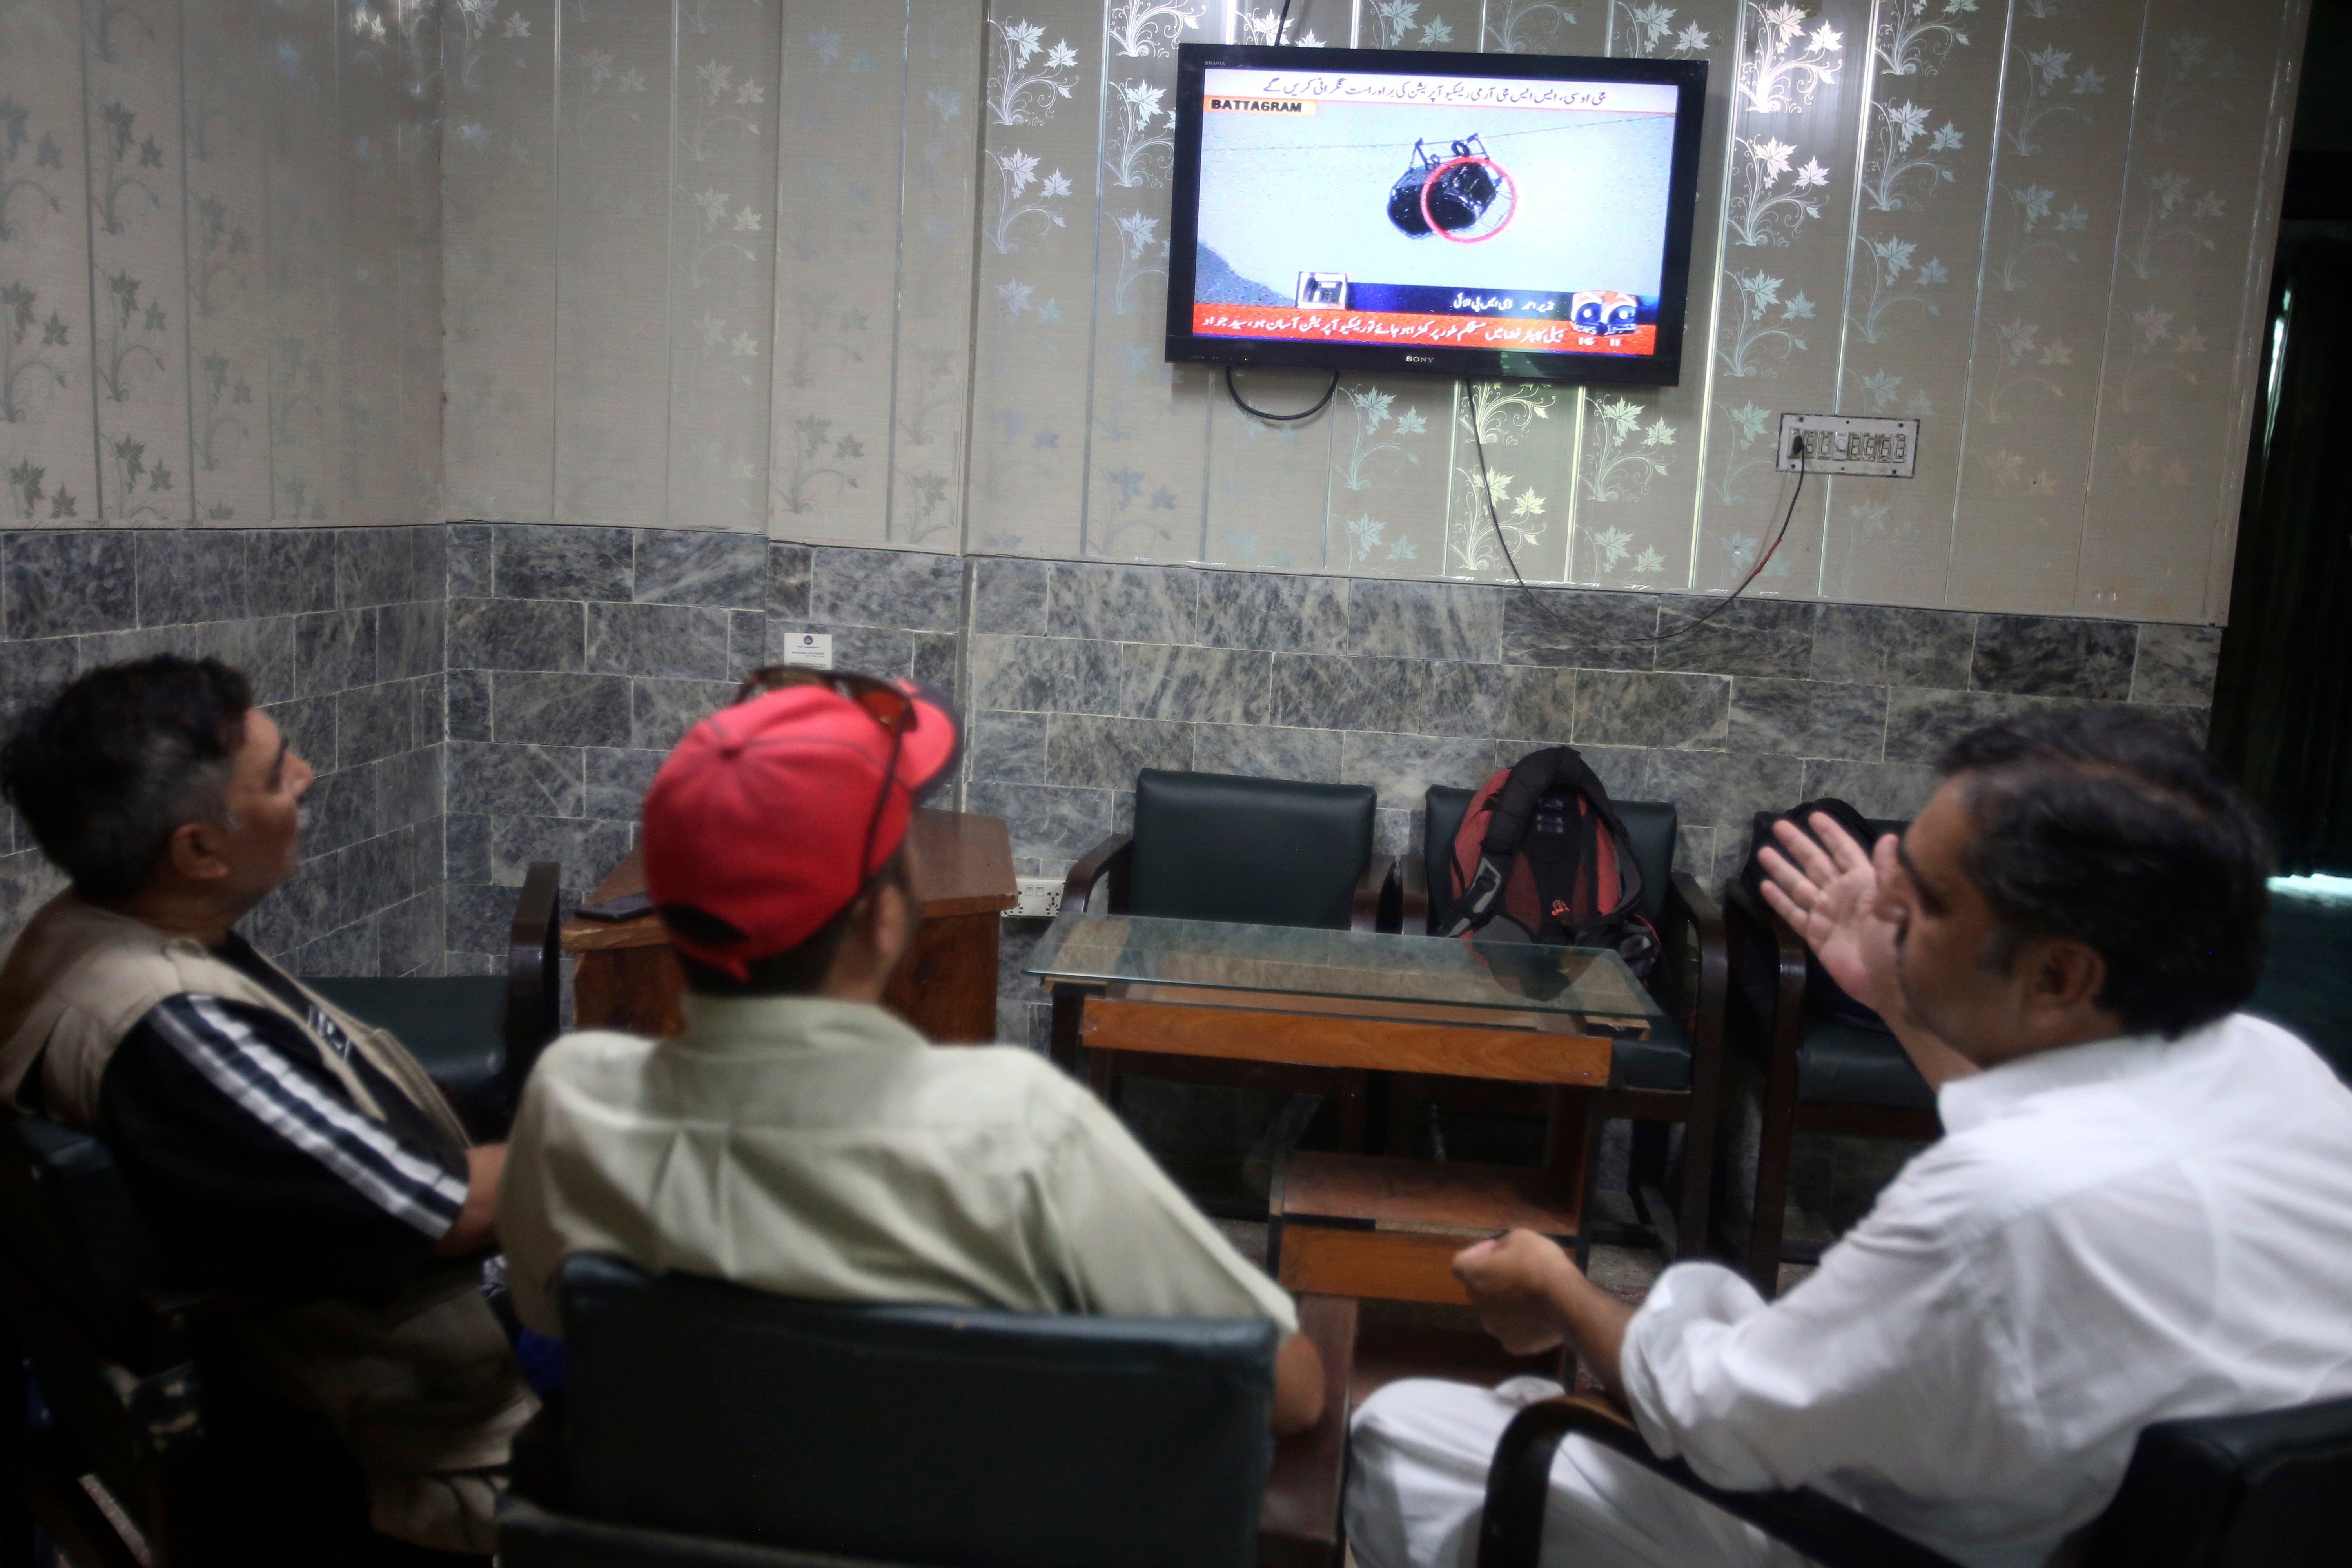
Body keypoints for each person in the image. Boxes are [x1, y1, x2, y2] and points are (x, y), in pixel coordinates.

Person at [1347, 707, 2352, 1568]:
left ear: (2058, 976)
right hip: (2082, 1514)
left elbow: (1717, 1417)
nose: (1886, 901)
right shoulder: (2282, 1074)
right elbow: (2050, 1125)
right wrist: (1893, 987)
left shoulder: (1996, 1204)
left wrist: (1561, 1294)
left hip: (1878, 1541)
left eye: (1928, 896)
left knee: (1407, 1428)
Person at [497, 669, 1324, 1433]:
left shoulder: (570, 1103)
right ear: (887, 918)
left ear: (665, 912)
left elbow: (548, 1328)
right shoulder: (1020, 1128)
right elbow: (1289, 1390)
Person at [0, 656, 532, 1565]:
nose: (307, 777)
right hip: (392, 1432)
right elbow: (442, 1211)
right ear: (200, 850)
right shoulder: (176, 1023)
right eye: (278, 771)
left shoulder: (96, 921)